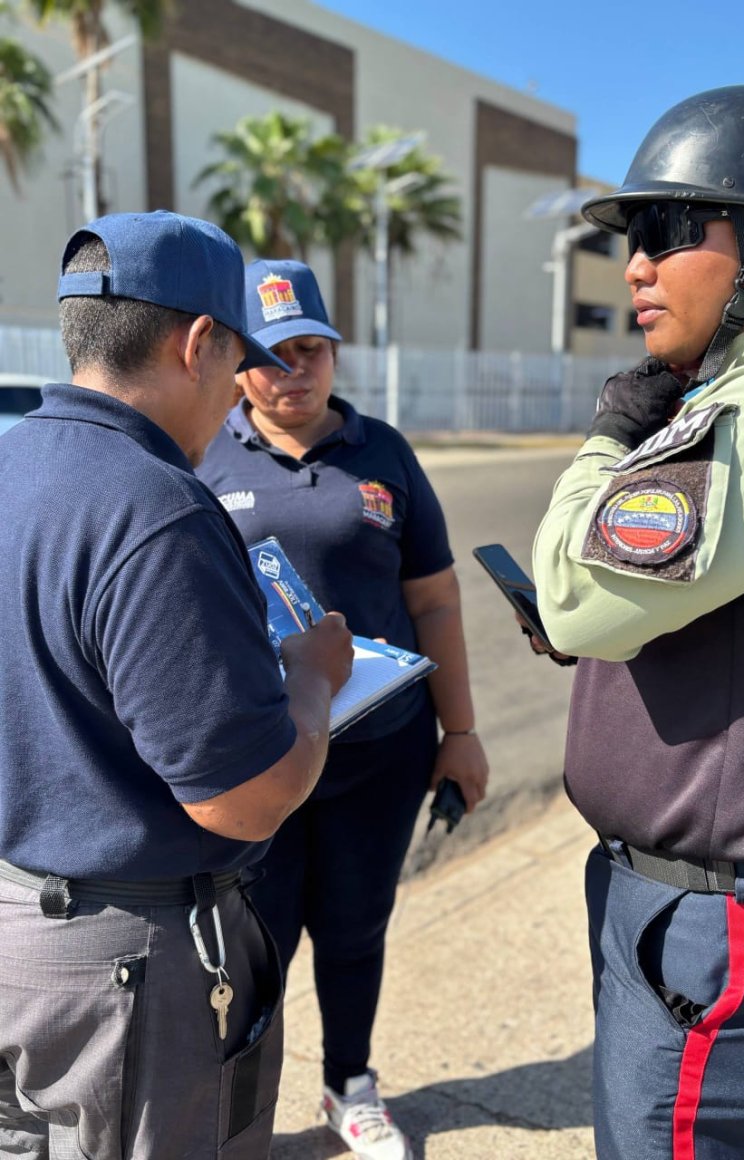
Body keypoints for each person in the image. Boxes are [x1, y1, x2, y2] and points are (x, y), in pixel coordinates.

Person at [531, 85, 744, 1159]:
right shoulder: (731, 384)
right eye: (634, 233)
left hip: (733, 917)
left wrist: (602, 443)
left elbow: (577, 599)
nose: (636, 262)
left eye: (670, 228)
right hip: (690, 903)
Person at [0, 210, 354, 1159]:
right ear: (200, 343)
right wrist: (313, 684)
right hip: (120, 966)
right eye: (240, 356)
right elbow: (243, 800)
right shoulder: (155, 506)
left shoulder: (10, 461)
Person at [197, 258, 489, 1160]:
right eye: (275, 353)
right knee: (257, 949)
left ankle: (348, 1087)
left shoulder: (384, 453)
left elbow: (435, 599)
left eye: (311, 349)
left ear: (333, 352)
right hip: (263, 760)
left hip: (379, 756)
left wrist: (463, 733)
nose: (295, 371)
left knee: (357, 929)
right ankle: (236, 1116)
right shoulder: (203, 455)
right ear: (239, 362)